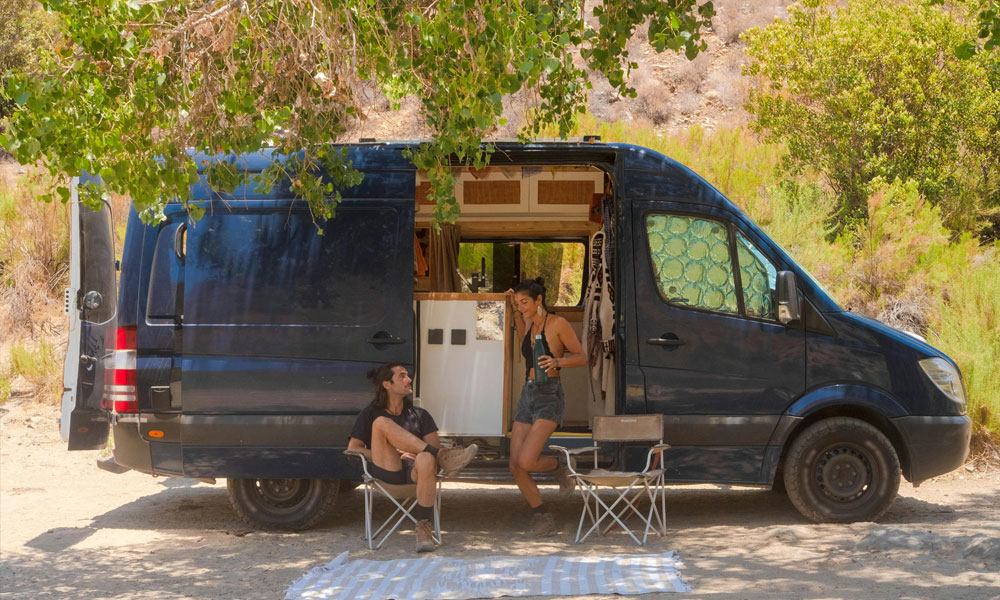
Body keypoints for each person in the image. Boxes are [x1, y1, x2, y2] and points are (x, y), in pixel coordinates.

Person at [348, 362, 478, 552]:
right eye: (402, 376)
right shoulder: (371, 414)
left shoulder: (420, 415)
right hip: (387, 470)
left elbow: (430, 456)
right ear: (387, 384)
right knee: (381, 423)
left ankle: (424, 528)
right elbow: (354, 449)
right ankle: (443, 455)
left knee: (426, 458)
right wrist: (391, 451)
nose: (409, 379)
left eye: (407, 375)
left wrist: (418, 453)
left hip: (416, 473)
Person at [505, 278, 587, 537]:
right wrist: (511, 308)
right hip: (527, 394)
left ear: (539, 300)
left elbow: (582, 357)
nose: (521, 308)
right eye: (518, 304)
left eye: (524, 302)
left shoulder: (558, 324)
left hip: (549, 394)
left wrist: (557, 361)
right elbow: (523, 342)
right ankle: (542, 516)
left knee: (527, 461)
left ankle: (559, 464)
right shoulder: (529, 322)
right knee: (515, 466)